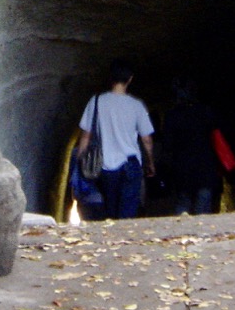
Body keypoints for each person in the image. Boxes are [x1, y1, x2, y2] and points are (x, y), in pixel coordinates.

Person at [77, 59, 155, 219]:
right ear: (130, 79)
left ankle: (113, 233)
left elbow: (85, 136)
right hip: (131, 164)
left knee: (111, 212)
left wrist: (80, 162)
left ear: (110, 77)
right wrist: (150, 162)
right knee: (128, 212)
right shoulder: (136, 105)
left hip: (106, 166)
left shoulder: (96, 101)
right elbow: (146, 140)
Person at [160, 77, 221, 215]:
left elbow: (167, 144)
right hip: (205, 167)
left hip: (182, 168)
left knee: (183, 205)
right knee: (203, 208)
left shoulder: (172, 116)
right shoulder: (206, 112)